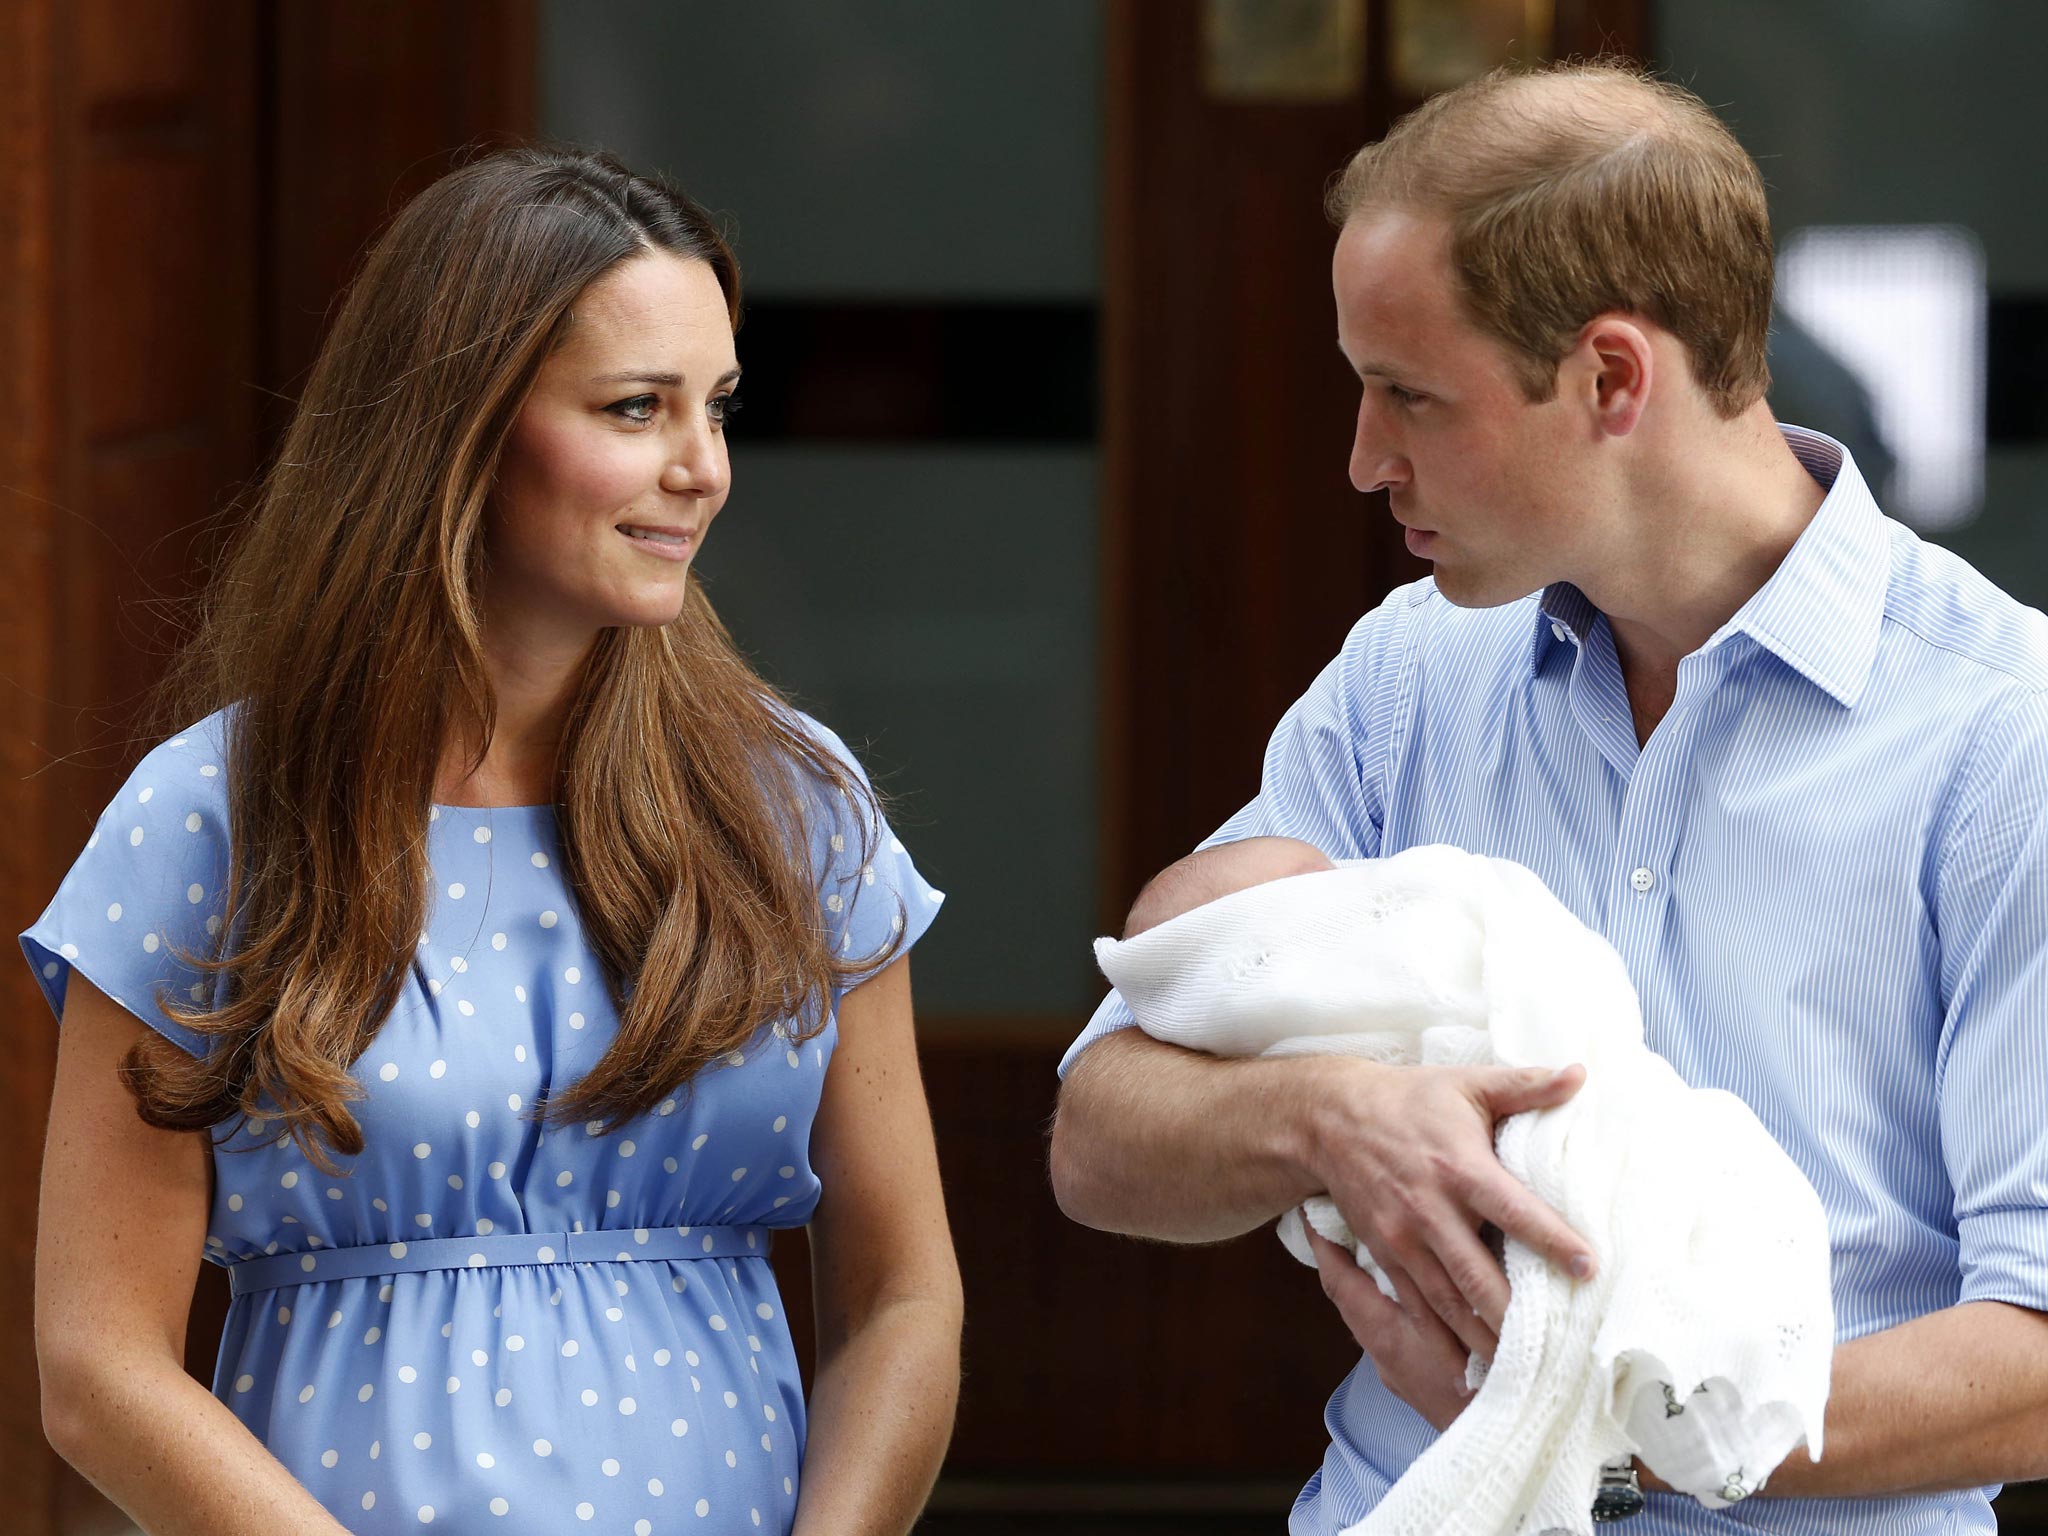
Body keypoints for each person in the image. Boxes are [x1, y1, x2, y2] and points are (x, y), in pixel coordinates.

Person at [1050, 59, 2048, 1535]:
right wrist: (1327, 1120)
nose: (1361, 459)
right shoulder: (1406, 673)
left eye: (1409, 395)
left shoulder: (2002, 732)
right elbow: (1099, 1134)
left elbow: (2034, 1362)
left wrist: (1598, 1428)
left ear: (1612, 379)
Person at [26, 147, 961, 1536]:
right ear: (457, 429)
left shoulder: (792, 799)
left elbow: (904, 1298)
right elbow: (96, 1369)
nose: (701, 469)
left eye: (718, 407)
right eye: (637, 409)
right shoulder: (211, 816)